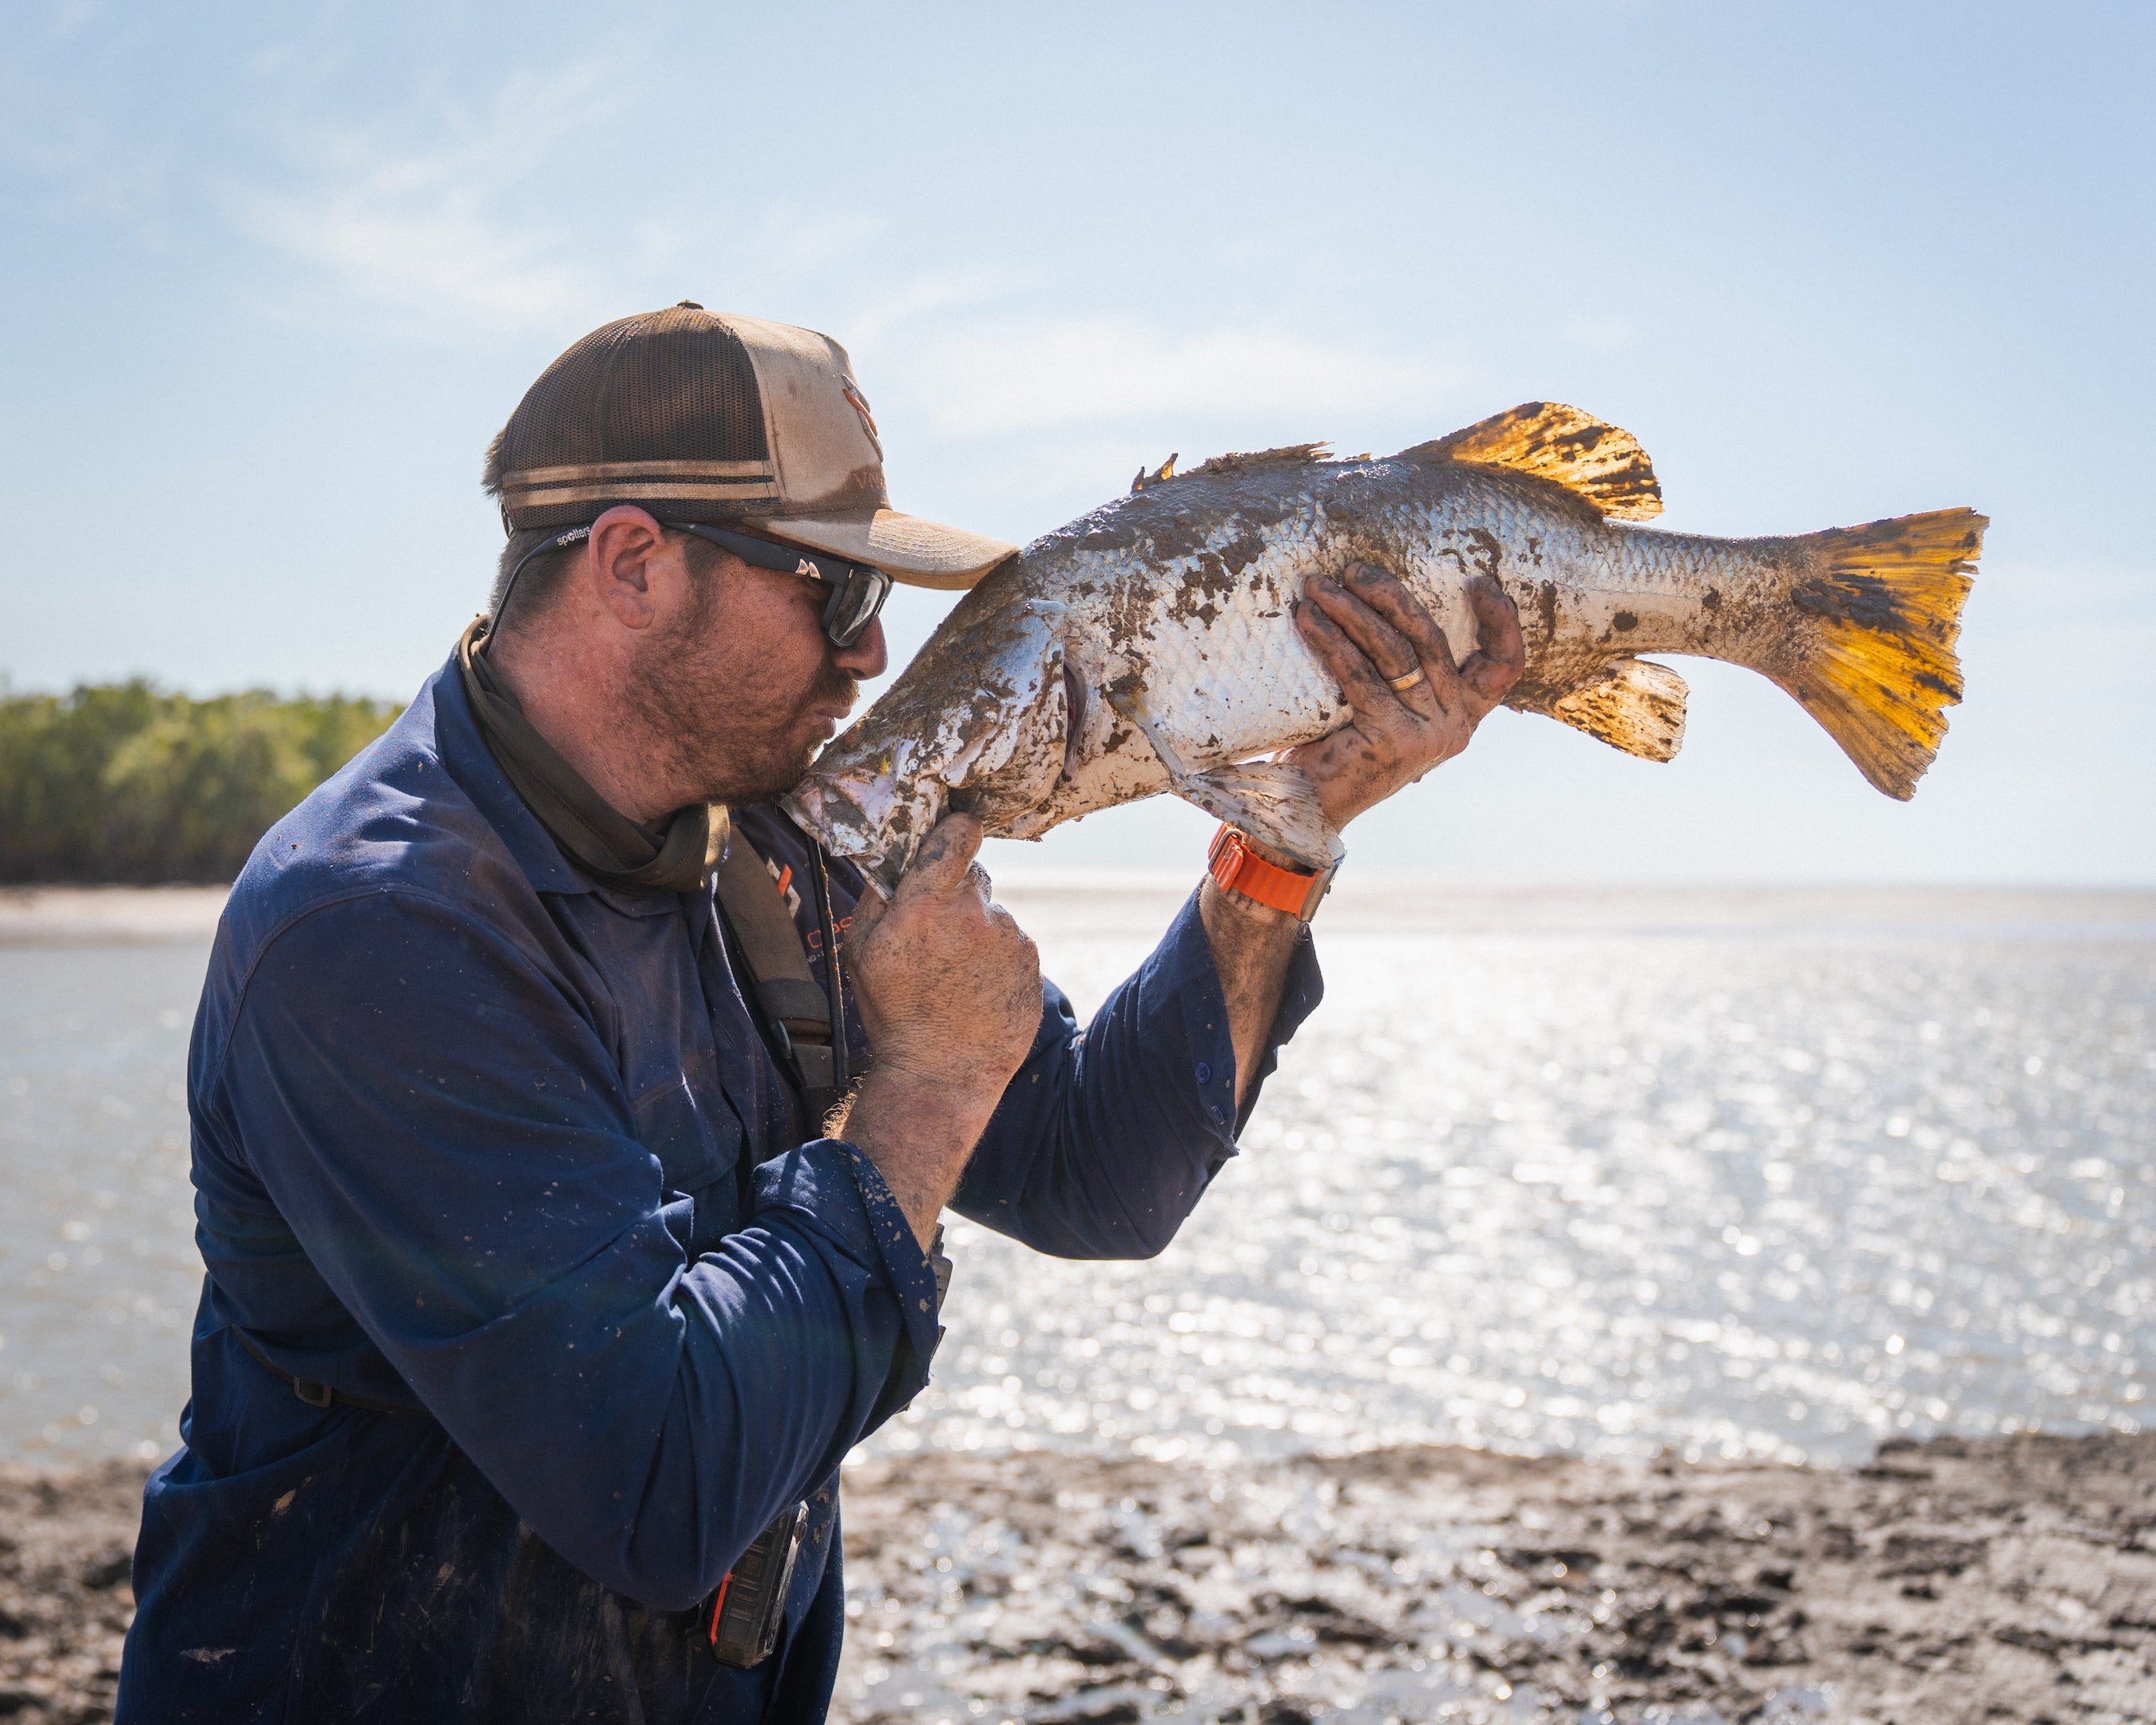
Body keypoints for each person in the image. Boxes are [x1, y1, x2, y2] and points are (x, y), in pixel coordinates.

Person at [115, 303, 1523, 1723]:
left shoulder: (782, 856)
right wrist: (926, 1089)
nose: (870, 655)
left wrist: (1284, 839)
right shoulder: (380, 929)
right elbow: (658, 1483)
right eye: (836, 592)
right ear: (633, 565)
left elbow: (1103, 1176)